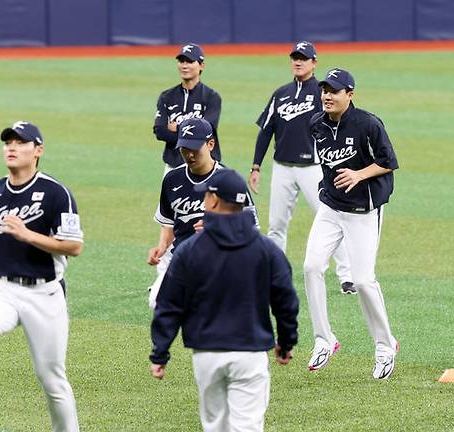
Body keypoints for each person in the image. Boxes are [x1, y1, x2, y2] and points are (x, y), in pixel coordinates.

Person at [150, 168, 299, 432]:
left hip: (207, 353)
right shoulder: (266, 250)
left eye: (206, 195)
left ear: (215, 201)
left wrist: (160, 352)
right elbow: (286, 301)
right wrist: (286, 343)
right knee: (248, 427)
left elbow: (169, 304)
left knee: (215, 427)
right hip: (250, 353)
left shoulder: (190, 250)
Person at [0, 121, 82, 431]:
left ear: (37, 151)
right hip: (1, 288)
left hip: (45, 293)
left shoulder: (56, 193)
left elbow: (74, 246)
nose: (11, 147)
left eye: (20, 142)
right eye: (7, 142)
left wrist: (29, 236)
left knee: (52, 378)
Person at [303, 68, 400, 379]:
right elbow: (327, 163)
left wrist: (359, 174)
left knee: (362, 280)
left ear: (350, 94)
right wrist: (325, 186)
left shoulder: (368, 124)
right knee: (311, 267)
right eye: (324, 90)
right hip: (331, 208)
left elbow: (388, 162)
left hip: (364, 211)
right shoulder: (317, 123)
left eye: (335, 90)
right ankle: (323, 339)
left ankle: (385, 346)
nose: (327, 96)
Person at [249, 41, 355, 294]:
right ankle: (275, 275)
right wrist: (256, 166)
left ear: (314, 63)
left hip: (313, 168)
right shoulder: (281, 93)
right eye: (295, 57)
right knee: (276, 224)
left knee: (332, 219)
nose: (298, 62)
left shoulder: (322, 95)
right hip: (282, 167)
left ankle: (346, 276)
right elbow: (266, 131)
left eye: (303, 58)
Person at [147, 118, 256, 309]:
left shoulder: (230, 182)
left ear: (210, 144)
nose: (189, 154)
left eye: (194, 148)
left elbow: (251, 228)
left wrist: (219, 226)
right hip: (182, 257)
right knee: (157, 301)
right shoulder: (172, 180)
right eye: (184, 148)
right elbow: (169, 222)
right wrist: (161, 246)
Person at [153, 43, 223, 172]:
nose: (184, 66)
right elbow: (160, 132)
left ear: (202, 65)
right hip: (173, 166)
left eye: (190, 61)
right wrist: (192, 132)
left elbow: (206, 132)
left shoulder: (212, 97)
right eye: (181, 61)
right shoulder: (166, 96)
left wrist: (177, 128)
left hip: (205, 168)